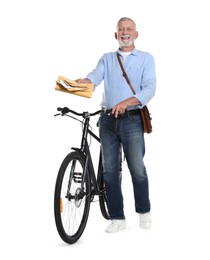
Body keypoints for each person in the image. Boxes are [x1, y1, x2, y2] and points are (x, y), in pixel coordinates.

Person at [76, 17, 156, 233]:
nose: (125, 32)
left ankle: (144, 211)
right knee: (110, 171)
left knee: (137, 168)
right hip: (108, 119)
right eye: (121, 29)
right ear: (115, 35)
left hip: (132, 118)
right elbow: (96, 75)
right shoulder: (108, 58)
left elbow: (149, 89)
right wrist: (87, 81)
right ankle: (117, 218)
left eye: (129, 29)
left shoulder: (146, 59)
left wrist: (126, 102)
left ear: (136, 34)